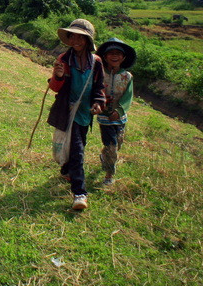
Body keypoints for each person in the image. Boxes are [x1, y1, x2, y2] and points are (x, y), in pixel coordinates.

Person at [46, 18, 106, 211]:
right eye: (73, 37)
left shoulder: (96, 62)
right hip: (67, 110)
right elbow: (55, 87)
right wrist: (59, 76)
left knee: (79, 146)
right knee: (77, 151)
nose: (77, 41)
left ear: (88, 41)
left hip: (85, 113)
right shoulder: (63, 60)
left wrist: (98, 103)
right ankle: (80, 193)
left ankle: (66, 170)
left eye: (82, 38)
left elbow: (99, 88)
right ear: (69, 38)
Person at [95, 37, 136, 186]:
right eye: (111, 53)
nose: (114, 56)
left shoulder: (127, 77)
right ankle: (109, 175)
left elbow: (127, 97)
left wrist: (119, 111)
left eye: (118, 53)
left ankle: (104, 156)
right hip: (105, 117)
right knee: (112, 146)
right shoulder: (99, 73)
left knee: (118, 144)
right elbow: (95, 90)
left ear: (123, 57)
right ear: (105, 57)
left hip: (120, 118)